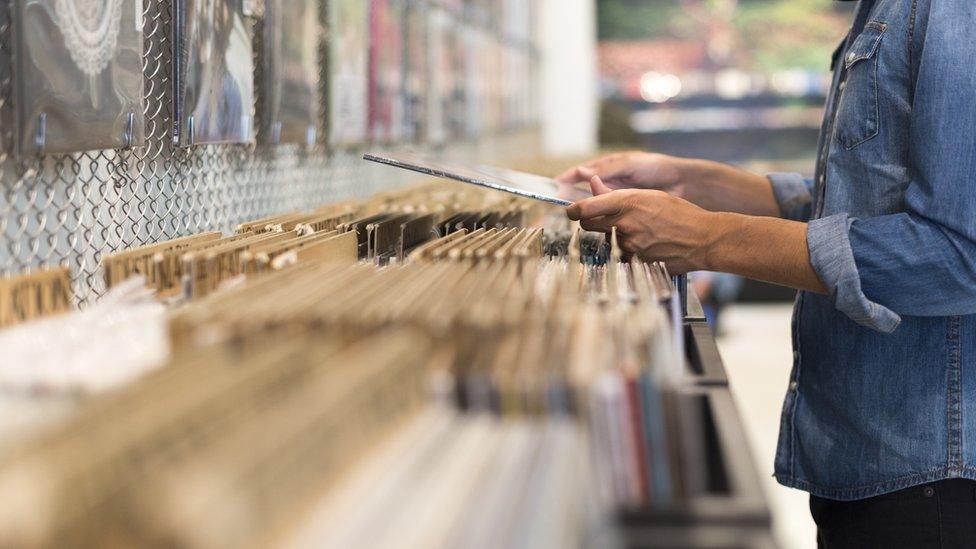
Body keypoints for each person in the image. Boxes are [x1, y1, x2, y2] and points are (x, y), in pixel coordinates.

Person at [559, 0, 976, 546]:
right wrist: (694, 183)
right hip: (883, 454)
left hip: (936, 477)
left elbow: (958, 256)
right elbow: (865, 203)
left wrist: (710, 238)